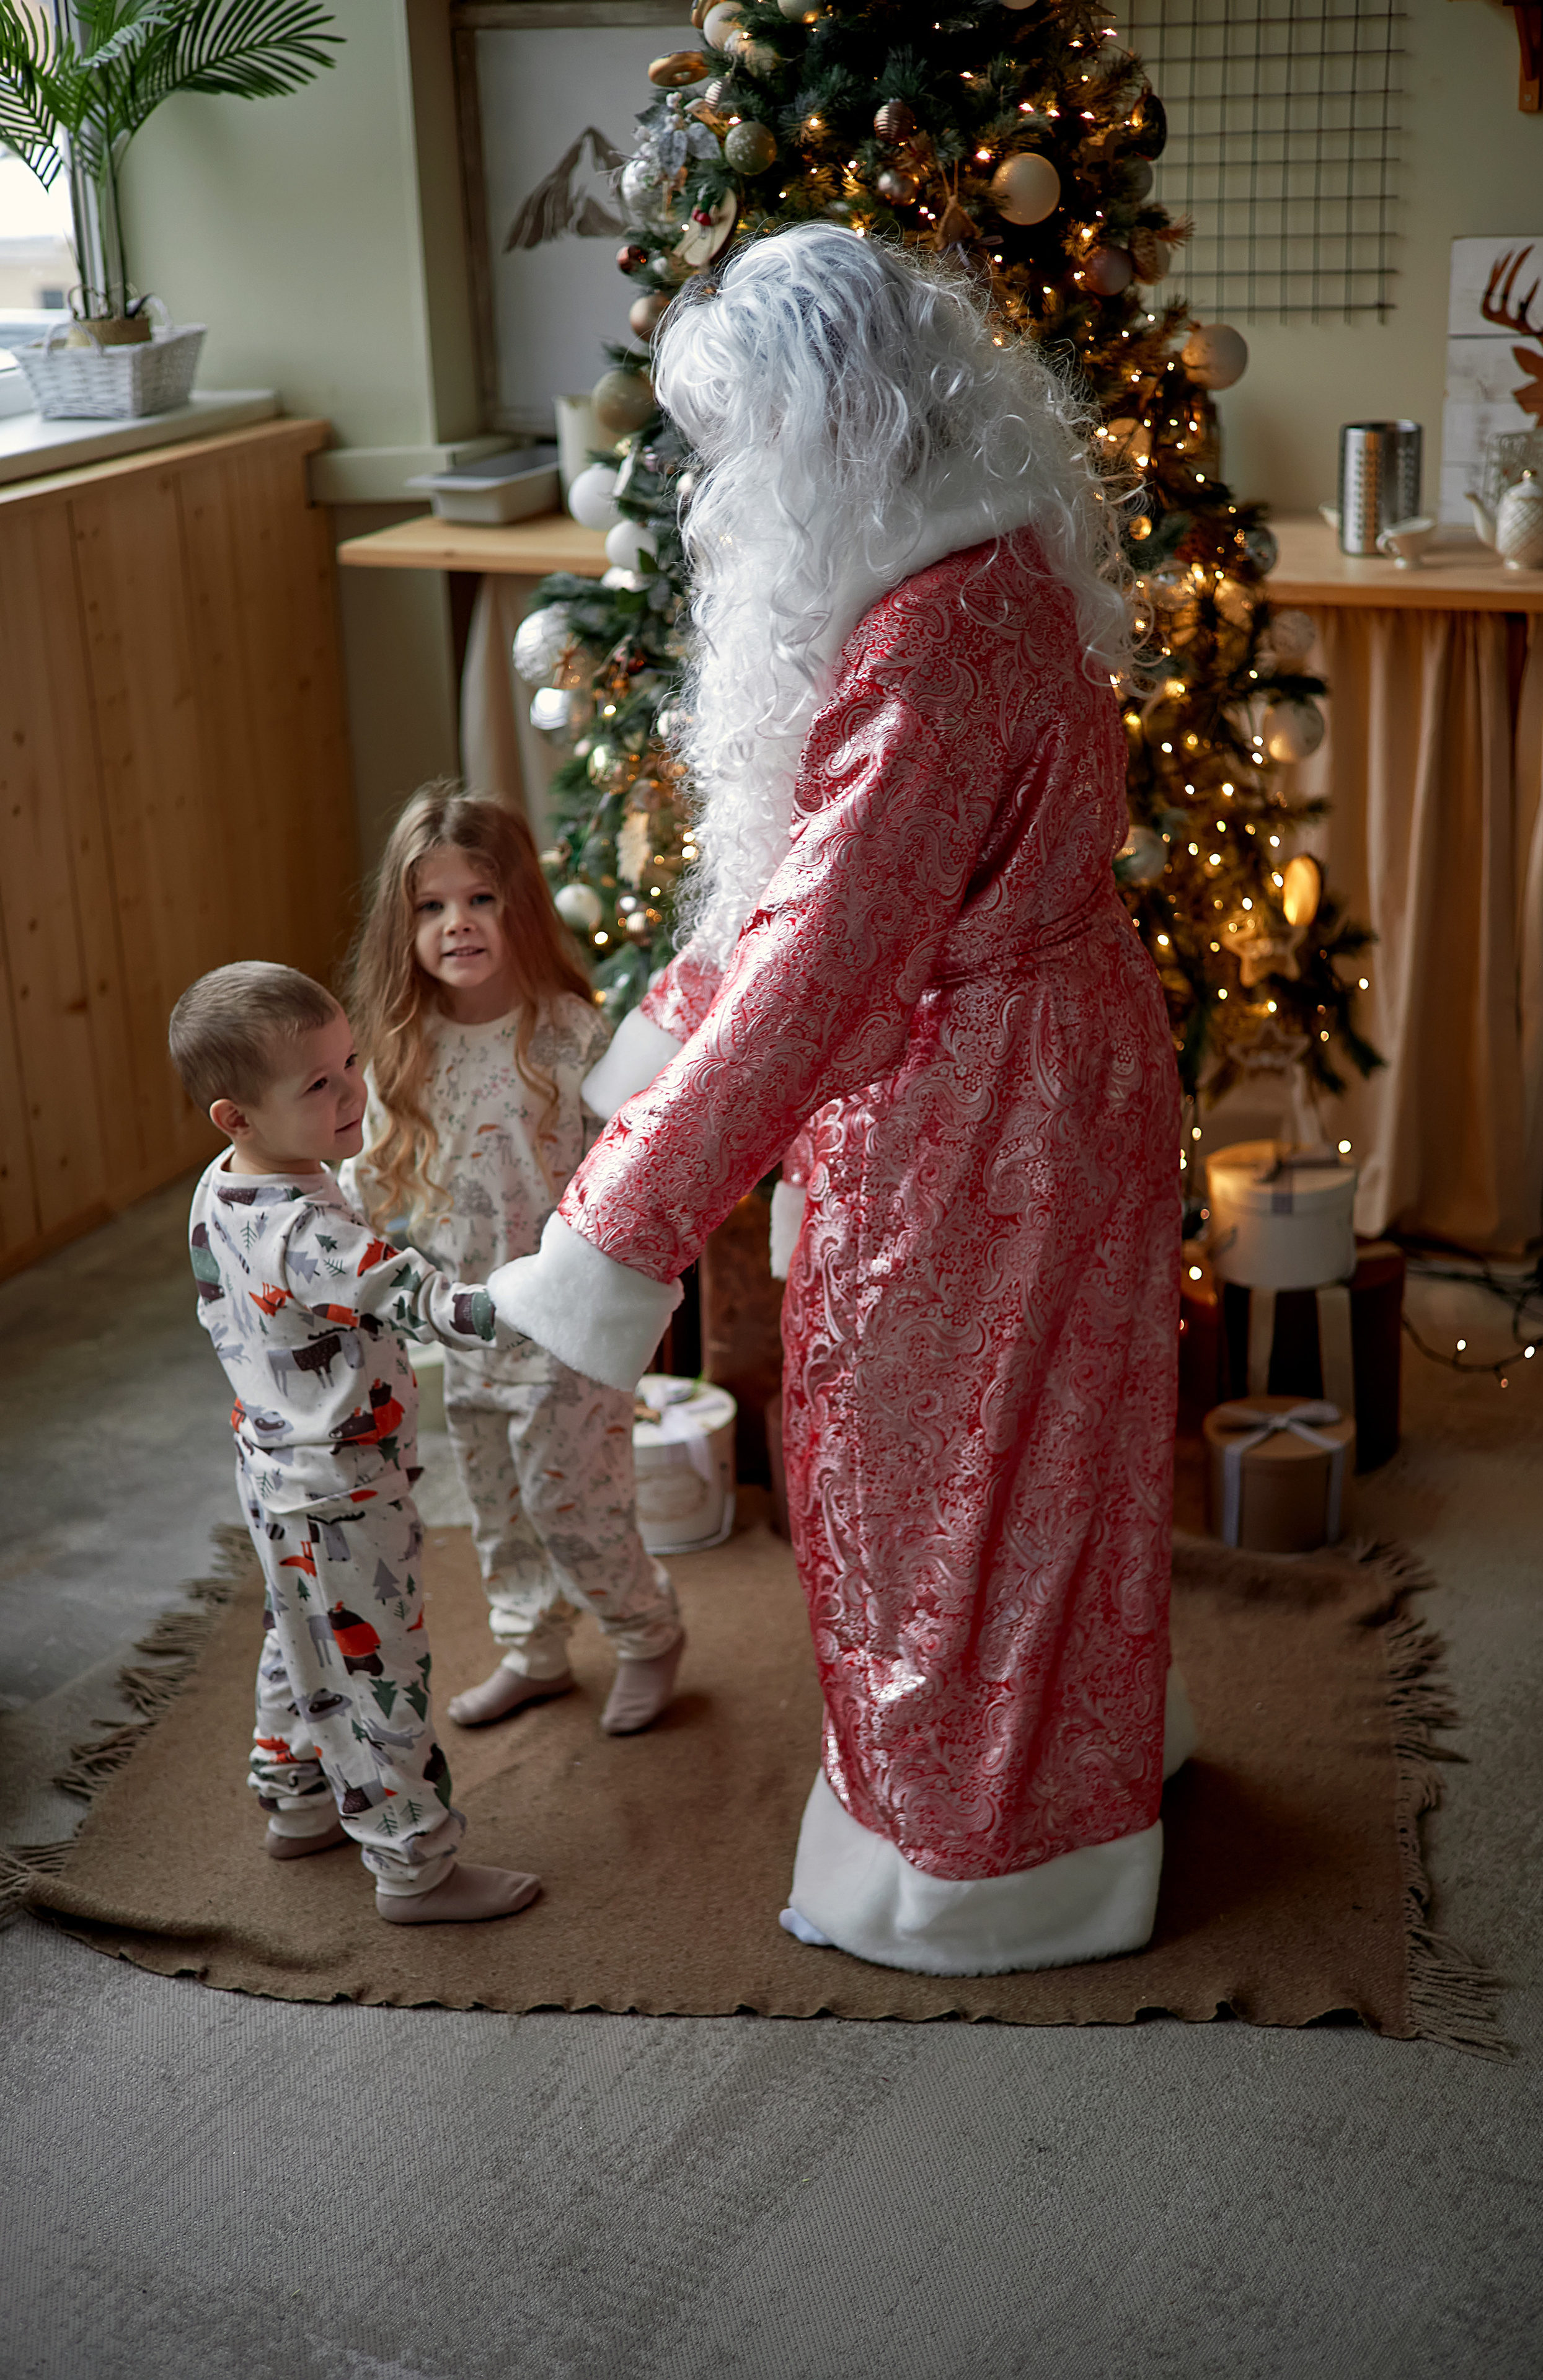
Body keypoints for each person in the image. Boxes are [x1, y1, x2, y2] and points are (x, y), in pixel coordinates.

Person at [492, 223, 1195, 1978]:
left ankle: (970, 1868)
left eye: (739, 441)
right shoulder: (995, 563)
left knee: (925, 1472)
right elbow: (806, 887)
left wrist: (618, 1226)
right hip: (1069, 1064)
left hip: (981, 1111)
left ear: (823, 428)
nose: (722, 488)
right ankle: (1067, 1791)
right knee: (1052, 1452)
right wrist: (665, 1043)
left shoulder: (927, 632)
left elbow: (822, 953)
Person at [169, 961, 542, 1924]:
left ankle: (295, 1800)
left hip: (274, 1466)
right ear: (236, 1117)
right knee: (381, 1673)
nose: (354, 1092)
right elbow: (426, 1301)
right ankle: (414, 1866)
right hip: (341, 1487)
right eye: (319, 1083)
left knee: (301, 1637)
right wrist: (552, 1296)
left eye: (349, 1062)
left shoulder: (225, 1185)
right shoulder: (307, 1232)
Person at [345, 787, 684, 1737]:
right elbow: (368, 1179)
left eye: (481, 898)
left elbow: (632, 1168)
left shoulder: (567, 1033)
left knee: (572, 1500)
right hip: (467, 1322)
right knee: (496, 1502)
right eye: (432, 905)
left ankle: (647, 1632)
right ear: (405, 924)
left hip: (566, 1322)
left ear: (521, 906)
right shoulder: (404, 1049)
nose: (457, 923)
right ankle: (533, 1648)